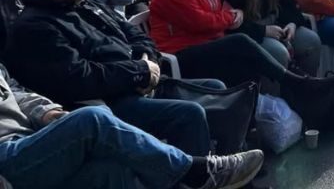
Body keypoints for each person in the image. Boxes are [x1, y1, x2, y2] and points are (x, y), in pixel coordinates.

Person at [5, 0, 223, 157]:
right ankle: (195, 177)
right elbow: (77, 78)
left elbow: (137, 35)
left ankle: (217, 164)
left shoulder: (87, 4)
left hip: (140, 83)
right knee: (189, 114)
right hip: (105, 103)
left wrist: (148, 61)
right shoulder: (35, 26)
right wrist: (138, 71)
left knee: (216, 90)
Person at [148, 0, 334, 121]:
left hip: (210, 42)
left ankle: (277, 113)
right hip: (181, 52)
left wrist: (291, 22)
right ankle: (297, 86)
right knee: (243, 43)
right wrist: (230, 17)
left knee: (255, 55)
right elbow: (201, 21)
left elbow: (285, 2)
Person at [0, 63, 264, 189]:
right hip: (8, 161)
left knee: (112, 172)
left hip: (29, 141)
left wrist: (47, 112)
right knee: (91, 118)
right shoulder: (36, 24)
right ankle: (196, 171)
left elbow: (16, 91)